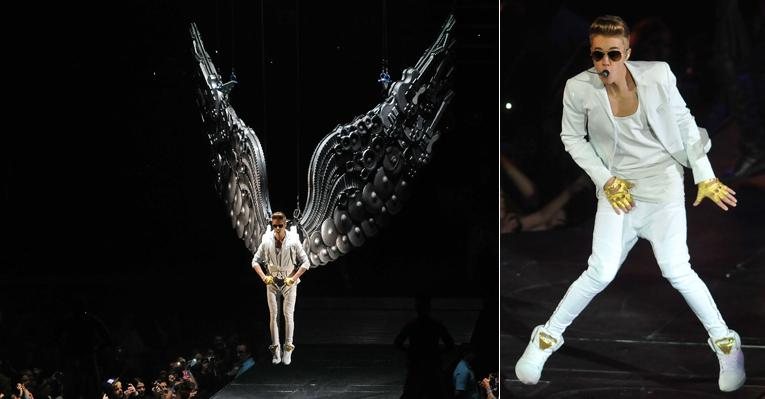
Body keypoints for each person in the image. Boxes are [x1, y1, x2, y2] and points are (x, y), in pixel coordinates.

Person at [514, 15, 745, 392]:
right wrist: (605, 180)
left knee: (676, 269)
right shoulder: (579, 89)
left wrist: (703, 174)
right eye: (597, 55)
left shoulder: (658, 75)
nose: (604, 63)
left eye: (613, 54)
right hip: (619, 190)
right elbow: (572, 138)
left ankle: (726, 344)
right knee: (600, 271)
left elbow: (685, 122)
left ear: (627, 53)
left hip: (664, 186)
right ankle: (545, 340)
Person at [251, 211, 310, 366]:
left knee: (288, 314)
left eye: (280, 225)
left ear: (285, 224)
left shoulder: (293, 239)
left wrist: (294, 277)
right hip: (271, 280)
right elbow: (255, 261)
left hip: (289, 280)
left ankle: (288, 349)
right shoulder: (266, 239)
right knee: (273, 315)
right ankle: (276, 351)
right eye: (274, 225)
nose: (277, 228)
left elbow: (306, 262)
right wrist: (264, 277)